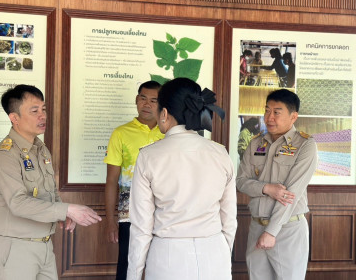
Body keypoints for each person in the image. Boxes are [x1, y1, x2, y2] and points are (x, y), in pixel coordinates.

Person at [0, 84, 102, 280]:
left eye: (44, 109)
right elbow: (18, 203)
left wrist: (61, 213)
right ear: (14, 118)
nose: (43, 116)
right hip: (16, 249)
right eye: (34, 111)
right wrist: (66, 210)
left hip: (45, 246)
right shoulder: (4, 155)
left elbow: (48, 192)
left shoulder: (40, 149)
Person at [127, 78, 237, 280]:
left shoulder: (149, 156)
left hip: (168, 257)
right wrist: (221, 252)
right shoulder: (221, 153)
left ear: (165, 113)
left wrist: (133, 275)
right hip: (214, 253)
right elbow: (229, 220)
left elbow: (141, 228)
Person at [236, 89, 318, 280]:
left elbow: (291, 194)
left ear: (293, 116)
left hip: (287, 229)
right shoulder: (255, 143)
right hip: (256, 226)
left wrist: (271, 232)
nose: (269, 117)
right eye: (267, 111)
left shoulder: (305, 145)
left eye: (276, 112)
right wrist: (266, 188)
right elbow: (241, 181)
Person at [104, 80, 164, 280]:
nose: (147, 104)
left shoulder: (168, 134)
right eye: (143, 98)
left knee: (161, 264)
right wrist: (111, 220)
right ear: (136, 100)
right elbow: (112, 180)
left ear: (162, 104)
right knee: (128, 264)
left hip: (164, 212)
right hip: (129, 214)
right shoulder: (121, 133)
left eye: (154, 100)